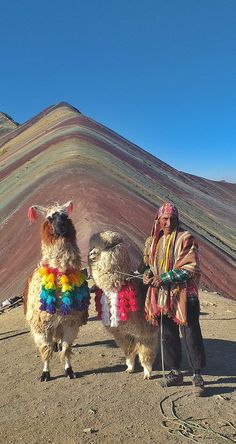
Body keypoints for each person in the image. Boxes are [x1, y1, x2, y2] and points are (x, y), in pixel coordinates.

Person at [143, 202, 206, 396]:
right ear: (158, 220)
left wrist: (162, 278)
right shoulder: (155, 242)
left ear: (177, 220)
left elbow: (190, 268)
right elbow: (149, 265)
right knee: (167, 333)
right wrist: (148, 275)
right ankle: (175, 371)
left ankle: (197, 376)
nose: (168, 222)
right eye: (164, 219)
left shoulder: (186, 238)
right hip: (163, 296)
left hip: (185, 295)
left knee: (191, 334)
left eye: (172, 219)